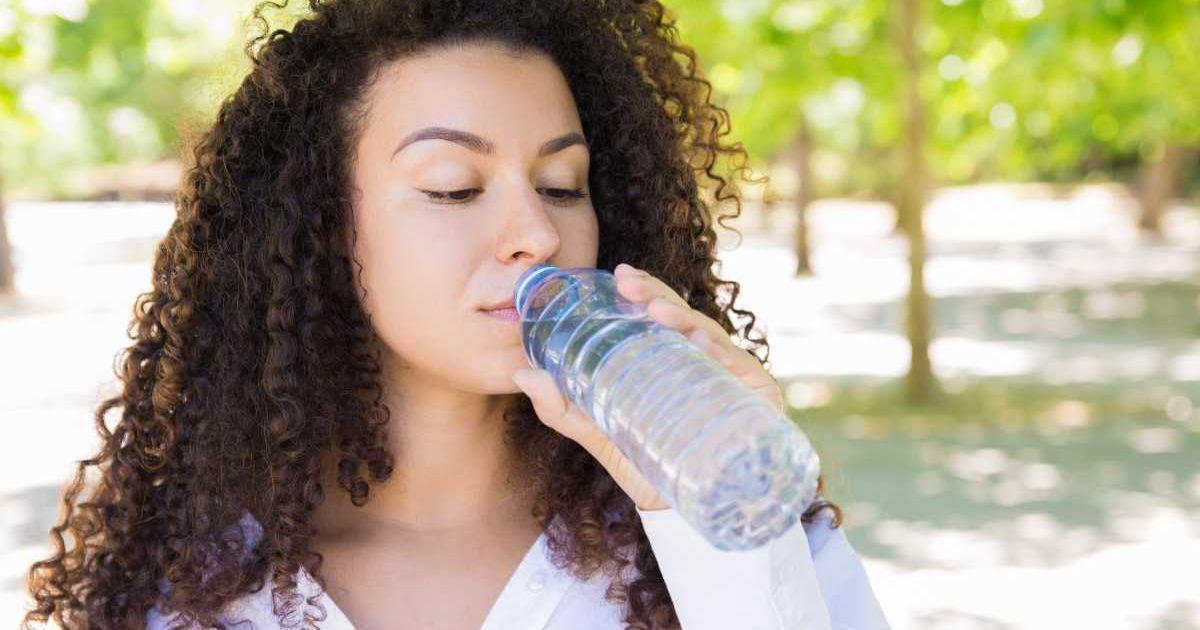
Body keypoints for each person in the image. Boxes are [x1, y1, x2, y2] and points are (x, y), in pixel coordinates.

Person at [22, 0, 890, 628]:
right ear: (320, 228)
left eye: (562, 186)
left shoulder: (729, 535)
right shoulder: (186, 586)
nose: (535, 232)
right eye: (454, 187)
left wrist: (710, 515)